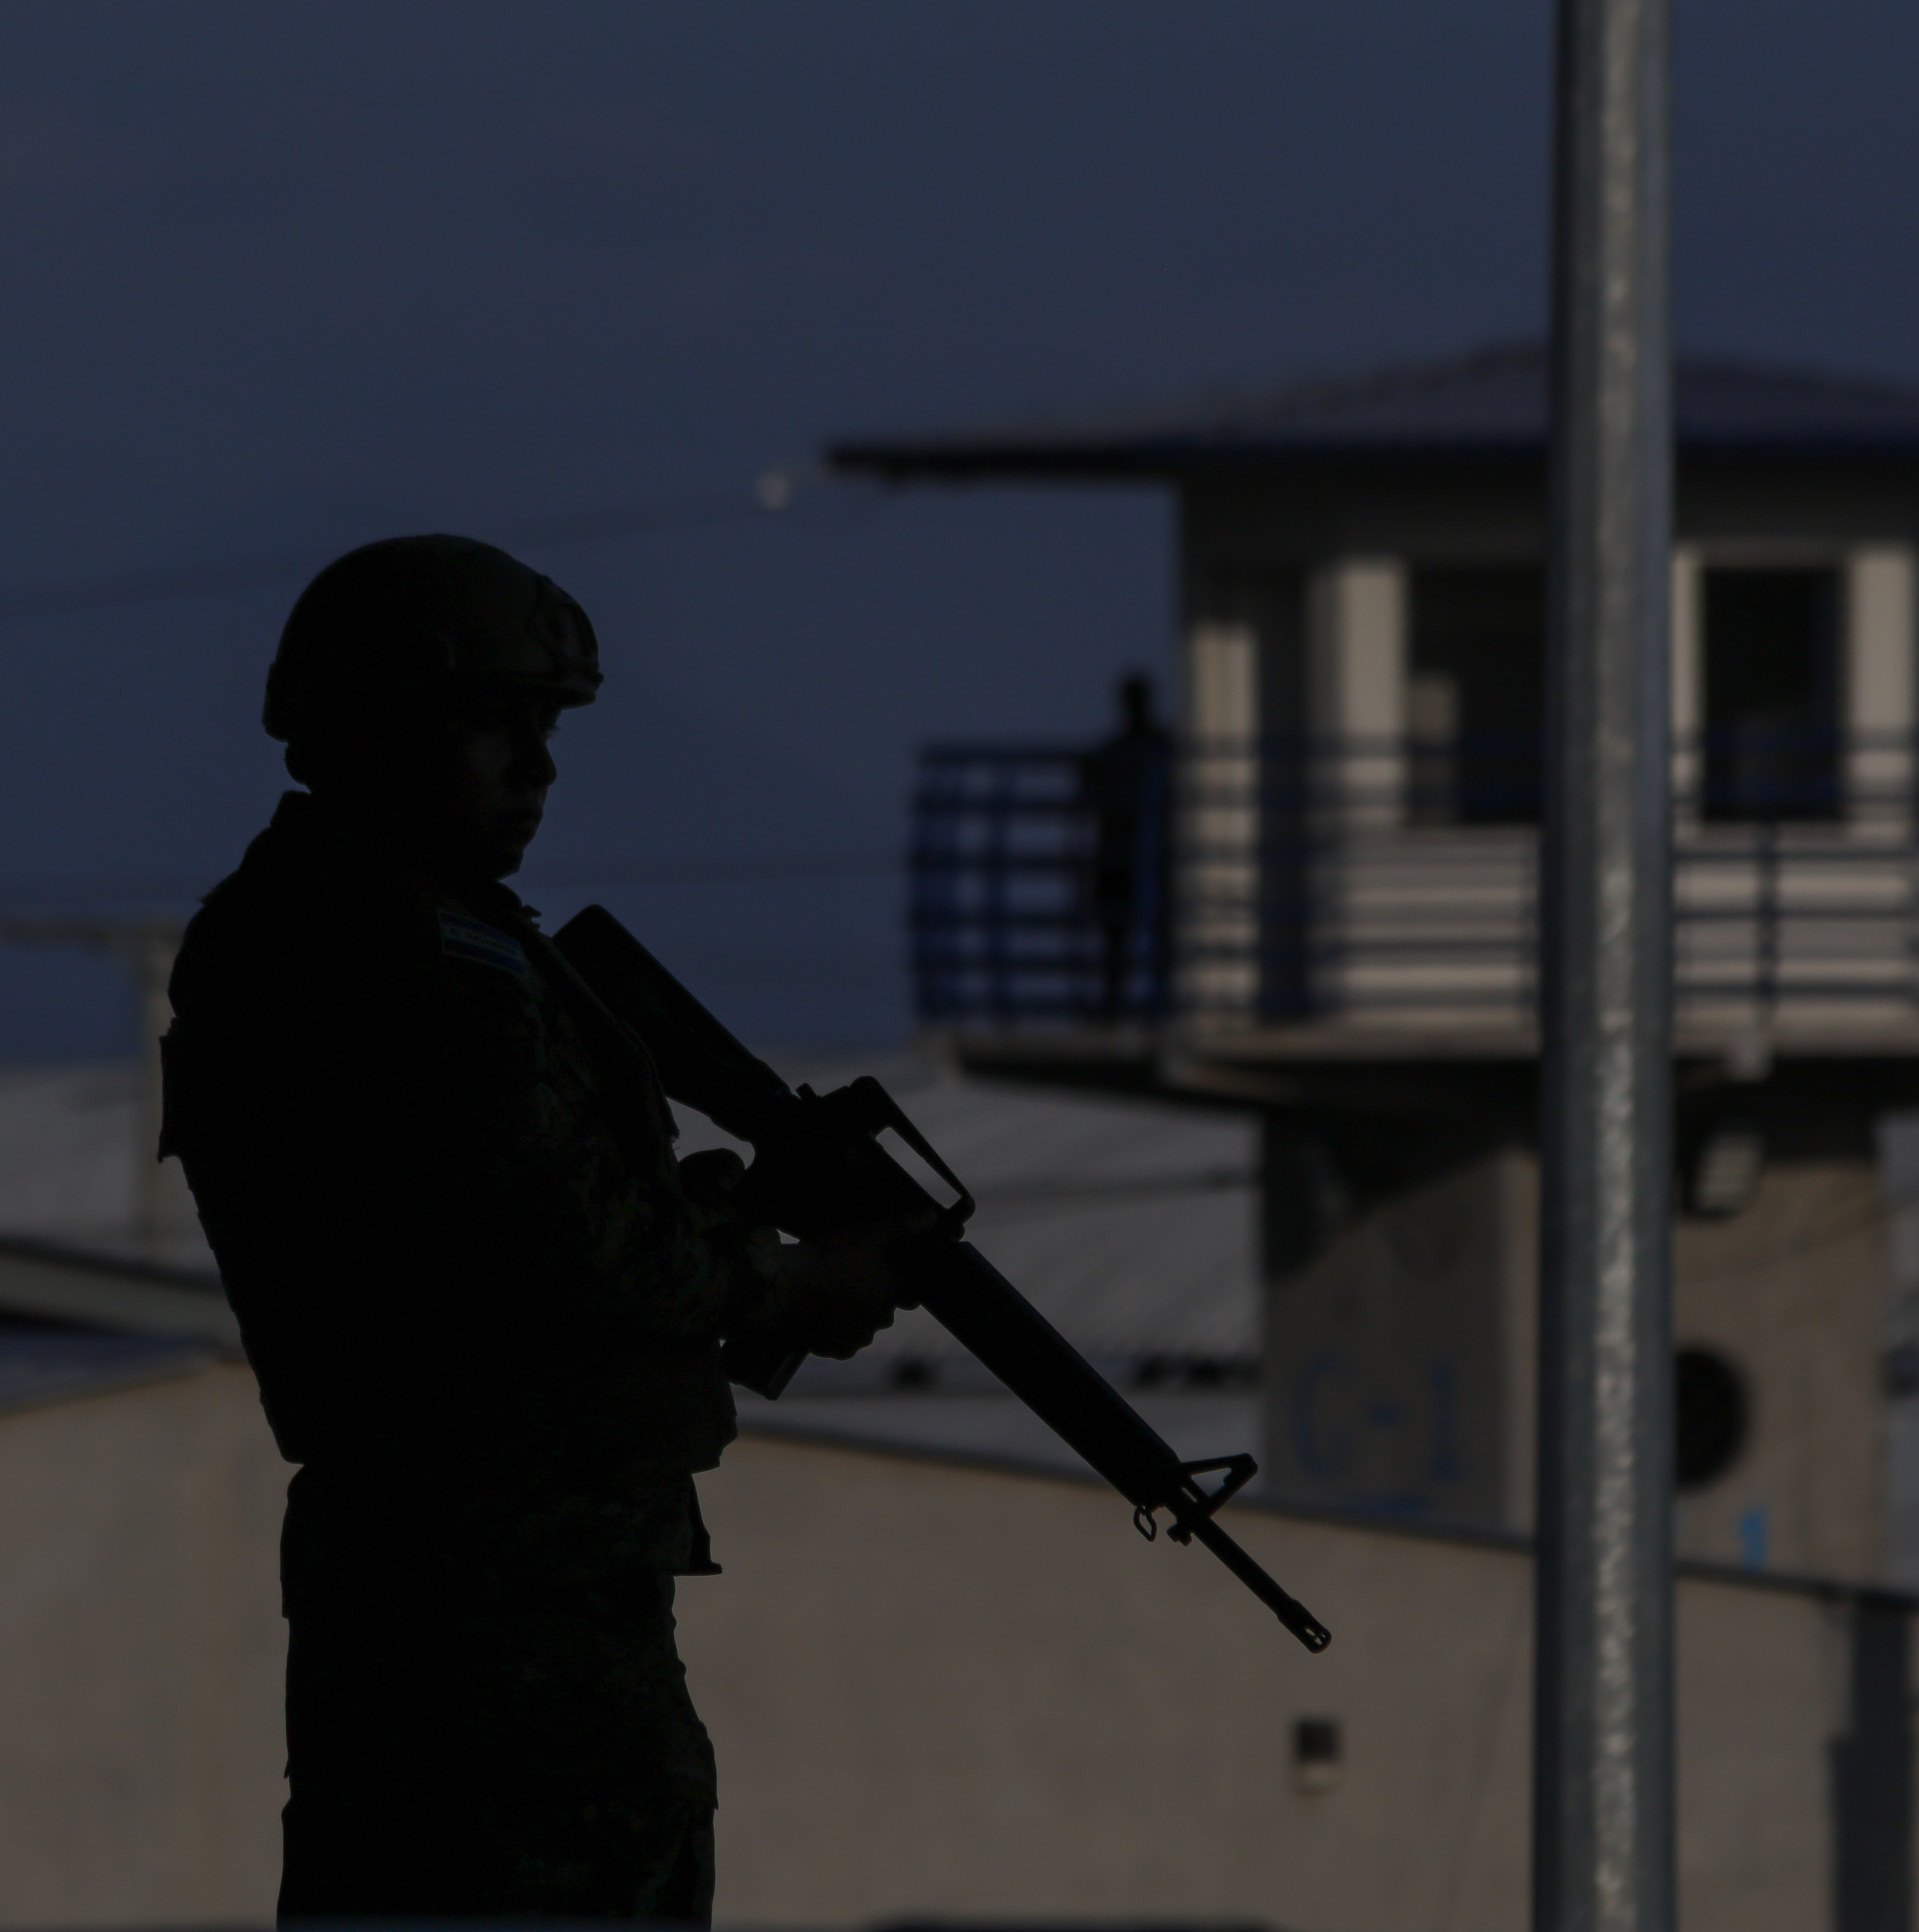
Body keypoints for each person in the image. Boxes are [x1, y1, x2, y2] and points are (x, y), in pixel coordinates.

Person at [158, 534, 914, 1924]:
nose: (537, 768)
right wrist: (787, 1282)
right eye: (491, 727)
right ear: (378, 727)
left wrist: (721, 1222)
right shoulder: (395, 951)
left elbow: (511, 1222)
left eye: (544, 729)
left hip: (502, 1587)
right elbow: (563, 1246)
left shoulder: (408, 933)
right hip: (490, 1607)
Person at [1075, 670, 1171, 1018]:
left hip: (1120, 856)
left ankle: (1115, 1008)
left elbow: (1086, 801)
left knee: (1119, 939)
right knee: (1147, 937)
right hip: (1147, 856)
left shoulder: (1109, 752)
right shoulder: (1164, 748)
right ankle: (1152, 1005)